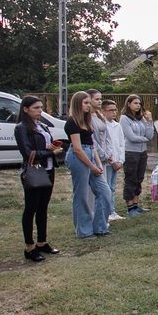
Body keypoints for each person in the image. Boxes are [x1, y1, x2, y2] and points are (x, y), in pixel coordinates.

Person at [14, 95, 63, 262]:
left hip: (48, 170)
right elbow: (27, 153)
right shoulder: (21, 128)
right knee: (31, 208)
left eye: (41, 108)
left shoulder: (42, 125)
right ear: (25, 109)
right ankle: (29, 246)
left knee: (43, 207)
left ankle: (42, 242)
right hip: (34, 171)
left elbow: (41, 145)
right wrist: (51, 152)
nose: (40, 111)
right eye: (36, 108)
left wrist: (50, 146)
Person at [63, 91, 113, 237]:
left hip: (91, 154)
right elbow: (78, 149)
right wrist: (92, 167)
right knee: (82, 195)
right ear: (78, 104)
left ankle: (100, 227)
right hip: (79, 158)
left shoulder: (88, 121)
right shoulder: (72, 122)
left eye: (88, 103)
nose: (88, 106)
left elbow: (92, 145)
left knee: (105, 192)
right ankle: (84, 231)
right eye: (85, 103)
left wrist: (98, 164)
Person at [119, 95, 154, 216]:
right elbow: (131, 137)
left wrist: (150, 121)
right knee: (130, 179)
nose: (138, 105)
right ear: (128, 104)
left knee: (139, 178)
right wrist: (145, 139)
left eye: (139, 103)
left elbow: (150, 135)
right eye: (135, 103)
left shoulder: (141, 119)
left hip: (142, 153)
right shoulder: (124, 118)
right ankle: (130, 208)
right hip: (130, 153)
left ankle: (136, 204)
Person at [86, 90, 119, 222]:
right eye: (96, 99)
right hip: (95, 156)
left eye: (100, 99)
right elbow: (92, 140)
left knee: (104, 190)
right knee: (94, 191)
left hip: (105, 157)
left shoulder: (99, 115)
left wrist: (110, 153)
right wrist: (103, 154)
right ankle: (92, 217)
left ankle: (102, 217)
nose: (99, 101)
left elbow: (107, 137)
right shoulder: (87, 117)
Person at [101, 100, 125, 220]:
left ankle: (112, 210)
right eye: (110, 110)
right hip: (108, 162)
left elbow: (121, 144)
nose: (114, 112)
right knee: (106, 187)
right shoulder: (102, 125)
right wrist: (112, 161)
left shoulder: (117, 125)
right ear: (103, 111)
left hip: (117, 161)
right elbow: (105, 145)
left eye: (115, 110)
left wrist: (120, 160)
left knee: (112, 187)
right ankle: (107, 211)